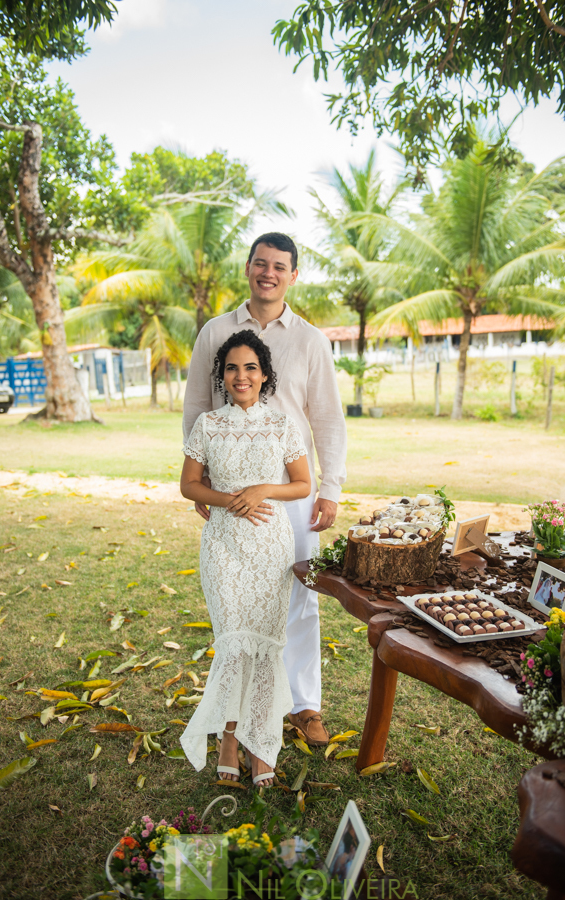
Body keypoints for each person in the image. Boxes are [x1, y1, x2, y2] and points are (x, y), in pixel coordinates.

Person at [183, 232, 347, 747]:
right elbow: (195, 407)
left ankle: (303, 705)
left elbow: (328, 419)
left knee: (299, 597)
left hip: (292, 493)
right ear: (249, 268)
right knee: (239, 603)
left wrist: (331, 487)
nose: (269, 273)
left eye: (280, 266)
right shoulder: (215, 332)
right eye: (261, 263)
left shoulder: (310, 340)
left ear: (293, 275)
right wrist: (206, 482)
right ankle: (239, 713)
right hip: (231, 496)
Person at [179, 331, 312, 786]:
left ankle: (263, 743)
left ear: (265, 375)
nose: (241, 376)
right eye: (232, 368)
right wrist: (227, 499)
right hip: (222, 546)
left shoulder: (280, 425)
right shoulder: (208, 425)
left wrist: (262, 490)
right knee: (234, 644)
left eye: (250, 367)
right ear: (222, 376)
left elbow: (301, 484)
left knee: (267, 647)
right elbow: (189, 485)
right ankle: (230, 740)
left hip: (272, 546)